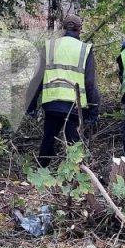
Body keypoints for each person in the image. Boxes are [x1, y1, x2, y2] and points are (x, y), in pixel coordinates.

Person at [32, 14, 100, 167]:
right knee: (74, 144)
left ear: (63, 28)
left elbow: (37, 79)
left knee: (48, 138)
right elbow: (90, 83)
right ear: (79, 29)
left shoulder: (49, 47)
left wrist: (31, 106)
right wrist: (93, 111)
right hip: (74, 107)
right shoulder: (84, 49)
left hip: (52, 104)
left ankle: (41, 171)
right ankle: (76, 176)